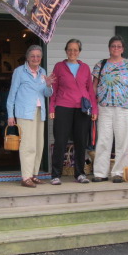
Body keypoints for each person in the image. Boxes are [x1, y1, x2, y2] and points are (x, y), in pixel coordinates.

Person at [92, 35, 128, 183]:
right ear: (109, 48)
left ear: (123, 49)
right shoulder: (101, 65)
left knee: (123, 142)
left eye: (119, 46)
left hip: (125, 108)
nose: (116, 48)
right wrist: (94, 106)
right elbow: (94, 86)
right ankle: (100, 172)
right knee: (103, 140)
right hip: (104, 108)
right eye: (113, 46)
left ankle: (119, 172)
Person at [49, 39, 98, 185]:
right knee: (60, 141)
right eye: (70, 49)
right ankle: (56, 175)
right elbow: (53, 89)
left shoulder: (85, 68)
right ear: (66, 51)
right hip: (63, 106)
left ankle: (80, 174)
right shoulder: (59, 66)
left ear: (79, 52)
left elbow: (90, 90)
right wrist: (52, 107)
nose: (72, 52)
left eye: (75, 50)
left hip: (82, 108)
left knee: (81, 142)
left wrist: (94, 109)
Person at [7, 45, 54, 188]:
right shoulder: (19, 71)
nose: (35, 58)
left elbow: (47, 94)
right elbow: (12, 94)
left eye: (38, 56)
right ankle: (25, 177)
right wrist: (10, 115)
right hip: (25, 113)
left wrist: (48, 85)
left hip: (40, 112)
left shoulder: (42, 72)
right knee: (28, 145)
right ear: (27, 57)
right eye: (32, 56)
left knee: (39, 145)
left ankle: (34, 174)